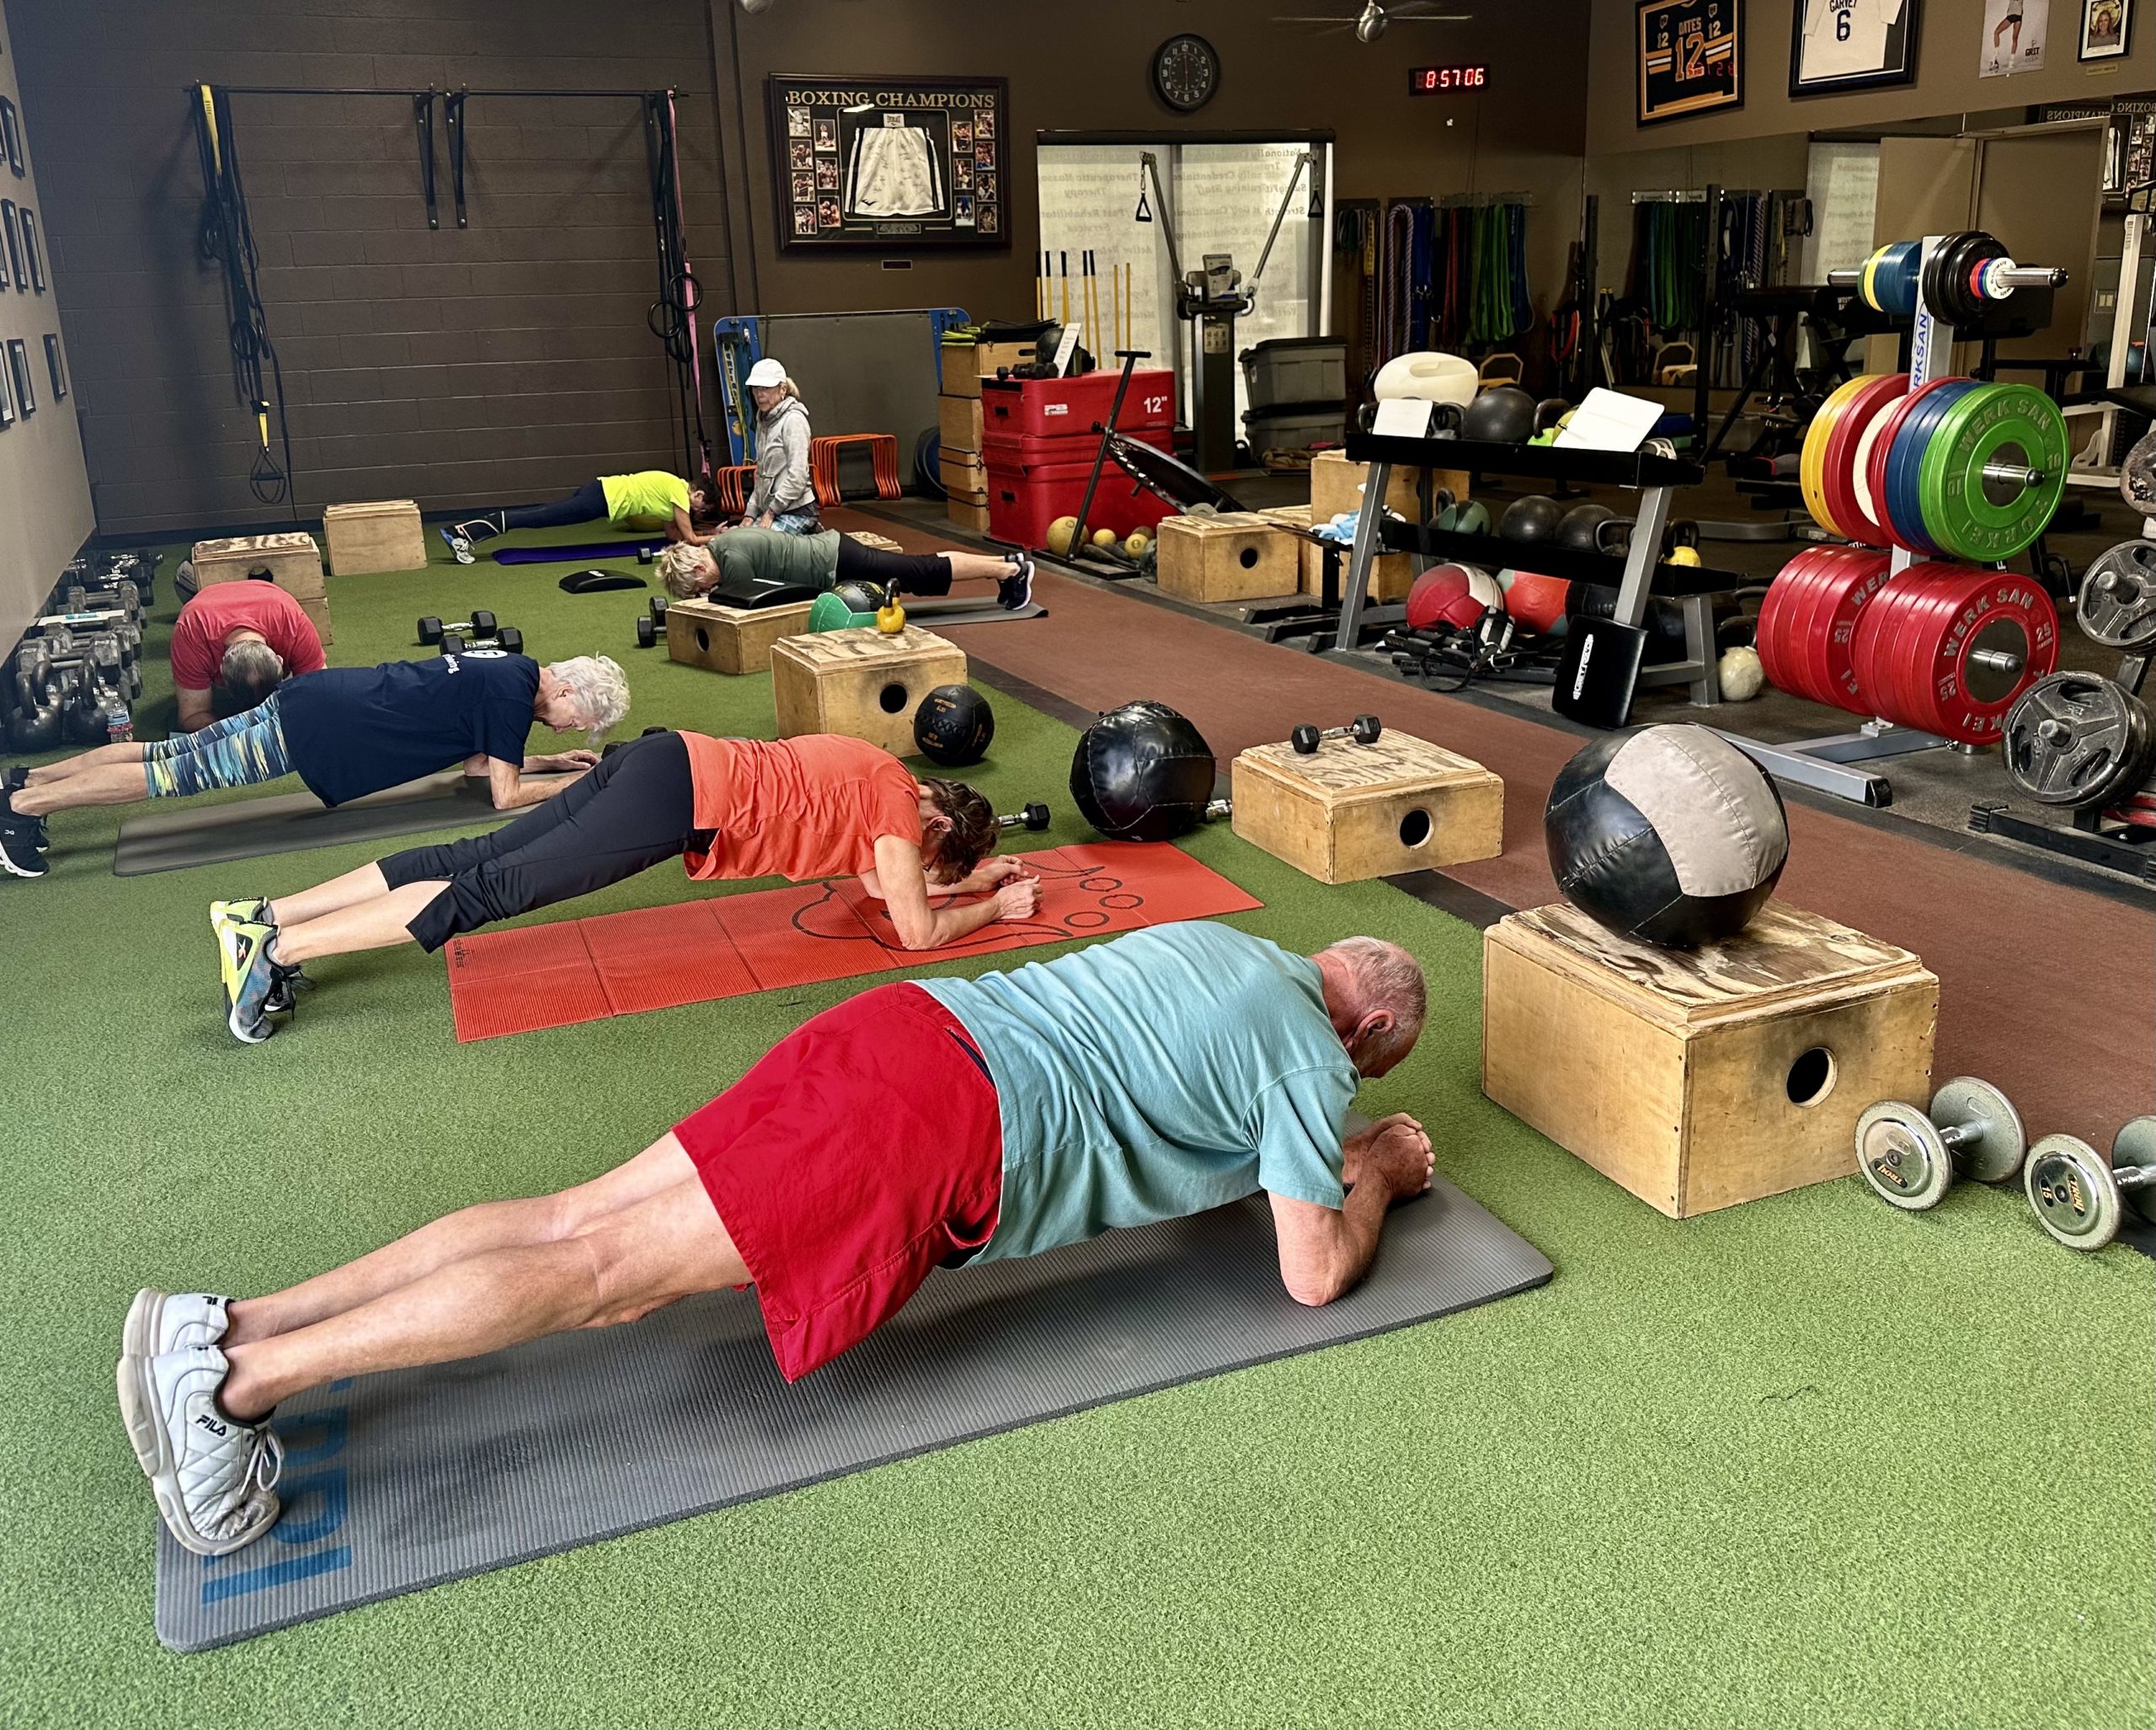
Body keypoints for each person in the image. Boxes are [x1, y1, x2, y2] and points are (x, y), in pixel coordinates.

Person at [113, 922, 1432, 1556]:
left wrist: (1311, 1153)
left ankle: (232, 1322)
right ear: (1366, 1036)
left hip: (902, 1026)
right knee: (600, 1279)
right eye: (1368, 1075)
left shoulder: (1229, 945)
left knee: (575, 1216)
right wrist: (1374, 1165)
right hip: (929, 1123)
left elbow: (1203, 1149)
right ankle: (234, 1389)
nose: (1350, 1092)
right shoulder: (1316, 1066)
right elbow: (1311, 1271)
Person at [205, 730, 1043, 1044]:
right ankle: (274, 948)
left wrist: (968, 880)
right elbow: (913, 932)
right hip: (676, 799)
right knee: (486, 891)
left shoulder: (881, 770)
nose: (917, 876)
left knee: (473, 853)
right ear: (936, 835)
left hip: (662, 758)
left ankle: (270, 910)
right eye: (933, 868)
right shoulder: (901, 812)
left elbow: (876, 881)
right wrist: (993, 907)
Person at [0, 654, 629, 897]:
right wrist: (577, 783)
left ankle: (27, 781)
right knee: (171, 781)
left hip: (315, 699)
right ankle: (20, 813)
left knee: (164, 754)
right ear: (568, 688)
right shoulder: (513, 698)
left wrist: (546, 761)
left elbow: (476, 761)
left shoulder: (511, 674)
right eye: (583, 718)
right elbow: (502, 794)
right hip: (319, 731)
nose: (574, 730)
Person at [659, 526, 1033, 611]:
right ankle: (1005, 566)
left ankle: (1008, 571)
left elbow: (737, 607)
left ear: (695, 572)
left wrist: (707, 603)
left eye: (696, 589)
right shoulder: (724, 547)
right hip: (834, 557)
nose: (702, 593)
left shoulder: (731, 559)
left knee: (922, 571)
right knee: (920, 571)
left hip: (838, 560)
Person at [446, 472, 723, 562]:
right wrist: (720, 536)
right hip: (601, 497)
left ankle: (466, 533)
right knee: (541, 517)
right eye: (701, 507)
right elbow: (690, 537)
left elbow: (674, 537)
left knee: (541, 516)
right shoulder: (678, 489)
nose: (697, 512)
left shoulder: (671, 493)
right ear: (697, 493)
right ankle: (461, 533)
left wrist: (703, 537)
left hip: (599, 493)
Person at [167, 580, 327, 733]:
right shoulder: (191, 631)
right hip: (205, 608)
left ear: (280, 659)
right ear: (221, 669)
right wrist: (240, 735)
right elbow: (192, 716)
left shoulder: (294, 624)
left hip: (274, 602)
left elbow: (318, 696)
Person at [740, 357, 819, 535]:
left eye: (766, 388)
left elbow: (798, 476)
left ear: (782, 389)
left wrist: (771, 511)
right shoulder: (763, 420)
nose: (759, 394)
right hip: (773, 511)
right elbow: (761, 473)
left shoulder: (794, 420)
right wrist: (750, 514)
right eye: (755, 388)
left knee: (754, 544)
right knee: (737, 538)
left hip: (798, 513)